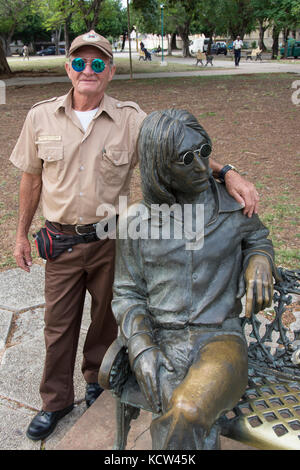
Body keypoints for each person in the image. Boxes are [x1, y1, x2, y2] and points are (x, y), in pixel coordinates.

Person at [10, 29, 259, 441]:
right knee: (57, 327)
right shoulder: (40, 116)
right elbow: (31, 179)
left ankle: (96, 383)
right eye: (79, 62)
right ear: (68, 68)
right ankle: (54, 402)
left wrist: (227, 171)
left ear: (109, 71)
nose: (87, 70)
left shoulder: (129, 118)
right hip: (62, 241)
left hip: (112, 239)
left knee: (107, 321)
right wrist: (20, 234)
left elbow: (178, 142)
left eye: (97, 63)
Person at [112, 109, 275, 450]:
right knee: (184, 415)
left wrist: (260, 258)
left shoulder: (233, 206)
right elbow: (127, 293)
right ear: (159, 167)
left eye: (204, 151)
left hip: (219, 340)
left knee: (184, 410)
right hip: (159, 340)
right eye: (185, 159)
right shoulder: (135, 223)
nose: (202, 167)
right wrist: (142, 348)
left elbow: (258, 237)